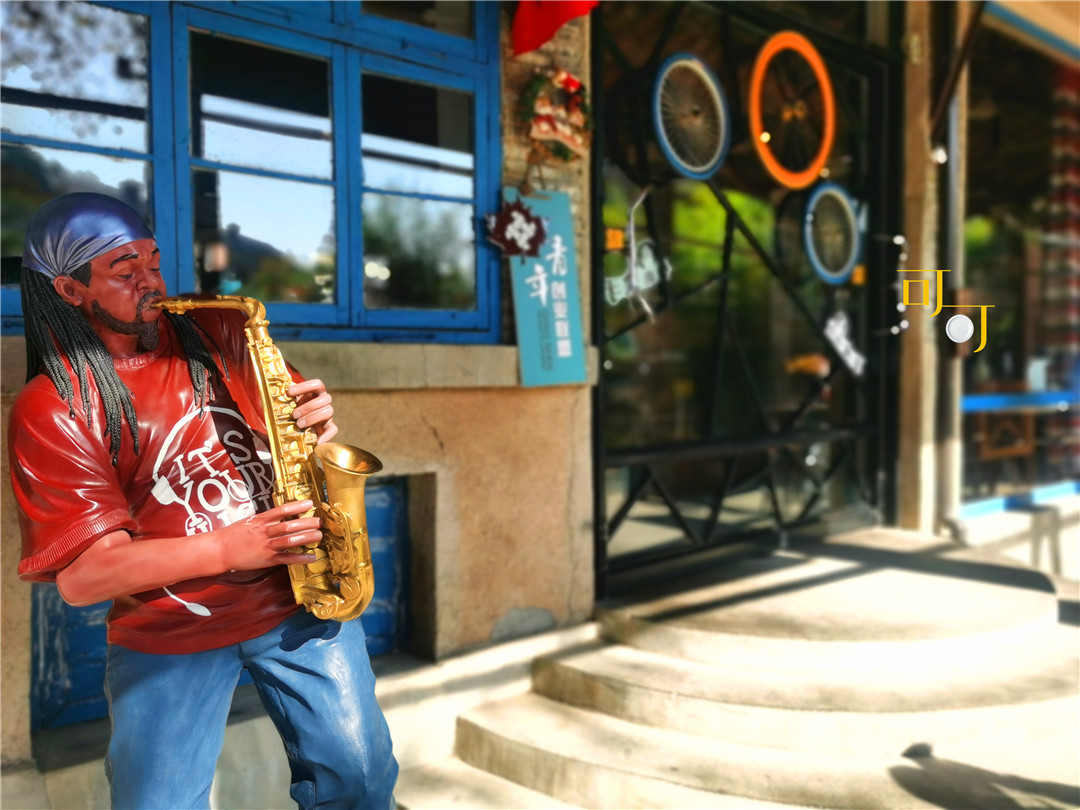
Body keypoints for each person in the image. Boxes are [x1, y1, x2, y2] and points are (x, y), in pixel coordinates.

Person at [9, 193, 398, 809]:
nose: (152, 281)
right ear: (69, 289)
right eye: (125, 270)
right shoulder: (52, 405)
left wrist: (316, 423)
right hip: (169, 629)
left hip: (301, 592)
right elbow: (83, 579)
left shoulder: (219, 329)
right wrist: (229, 548)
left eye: (154, 261)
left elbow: (292, 430)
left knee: (364, 778)